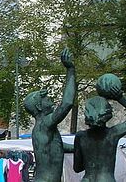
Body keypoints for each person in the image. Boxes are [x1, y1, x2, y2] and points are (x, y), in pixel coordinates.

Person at [73, 81, 126, 182]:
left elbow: (77, 168)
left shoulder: (80, 136)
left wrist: (91, 162)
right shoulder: (113, 134)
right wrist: (120, 98)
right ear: (106, 114)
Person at [23, 48, 76, 182]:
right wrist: (70, 70)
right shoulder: (45, 124)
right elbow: (67, 103)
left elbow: (59, 147)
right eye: (46, 99)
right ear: (39, 106)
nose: (51, 100)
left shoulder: (45, 129)